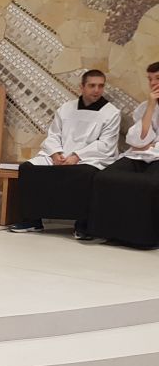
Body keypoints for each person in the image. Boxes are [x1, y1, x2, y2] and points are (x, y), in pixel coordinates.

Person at [9, 70, 120, 238]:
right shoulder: (66, 109)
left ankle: (83, 224)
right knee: (28, 168)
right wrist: (55, 153)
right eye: (92, 85)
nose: (97, 90)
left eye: (100, 86)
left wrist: (77, 156)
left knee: (85, 173)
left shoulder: (111, 113)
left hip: (90, 158)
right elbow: (54, 134)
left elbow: (106, 144)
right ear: (81, 87)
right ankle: (32, 220)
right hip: (60, 155)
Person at [88, 62, 159, 248]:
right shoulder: (145, 107)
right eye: (150, 79)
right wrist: (151, 105)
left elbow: (144, 143)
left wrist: (150, 145)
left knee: (150, 183)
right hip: (138, 155)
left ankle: (145, 238)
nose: (153, 83)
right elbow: (137, 140)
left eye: (158, 79)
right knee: (105, 177)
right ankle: (113, 232)